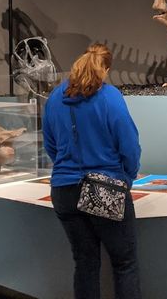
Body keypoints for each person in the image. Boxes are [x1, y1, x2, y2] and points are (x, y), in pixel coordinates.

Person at [42, 43, 142, 299]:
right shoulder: (110, 97)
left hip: (63, 190)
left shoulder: (54, 98)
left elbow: (50, 145)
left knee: (85, 262)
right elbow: (129, 144)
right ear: (105, 69)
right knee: (124, 263)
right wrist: (127, 177)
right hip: (105, 186)